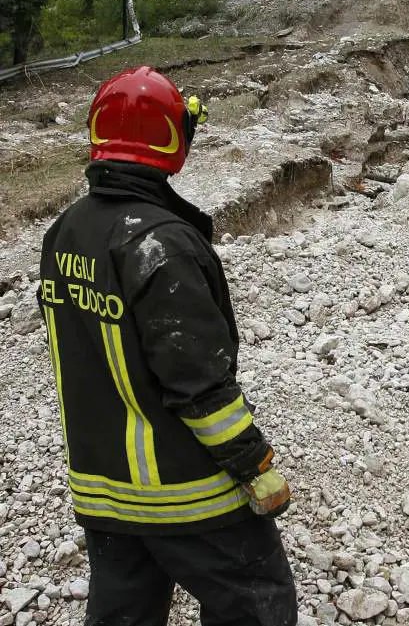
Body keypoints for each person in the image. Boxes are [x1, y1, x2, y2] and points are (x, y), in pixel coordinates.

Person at [38, 66, 298, 626]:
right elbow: (198, 384)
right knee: (256, 598)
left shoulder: (65, 231)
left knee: (124, 611)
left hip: (102, 489)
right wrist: (255, 464)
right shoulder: (160, 245)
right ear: (173, 140)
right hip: (184, 490)